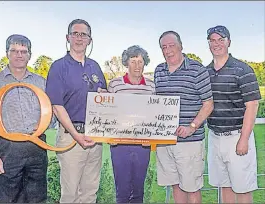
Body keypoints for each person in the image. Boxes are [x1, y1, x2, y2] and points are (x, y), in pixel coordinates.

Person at [0, 34, 54, 203]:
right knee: (7, 200)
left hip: (37, 147)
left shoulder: (42, 82)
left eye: (24, 51)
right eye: (14, 51)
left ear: (29, 55)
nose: (19, 55)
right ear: (7, 53)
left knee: (37, 199)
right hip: (6, 148)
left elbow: (52, 117)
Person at [45, 19, 107, 203]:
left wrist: (105, 96)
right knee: (70, 193)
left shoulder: (95, 66)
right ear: (68, 37)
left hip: (95, 136)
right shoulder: (58, 67)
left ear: (90, 40)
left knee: (90, 191)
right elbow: (57, 106)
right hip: (70, 137)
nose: (79, 38)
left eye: (84, 35)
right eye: (75, 34)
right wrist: (76, 135)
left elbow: (105, 100)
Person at [154, 31, 214, 203]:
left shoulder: (197, 69)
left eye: (171, 45)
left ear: (181, 46)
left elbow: (208, 103)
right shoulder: (159, 70)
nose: (168, 50)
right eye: (164, 47)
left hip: (190, 141)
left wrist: (192, 127)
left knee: (192, 187)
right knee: (175, 185)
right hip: (165, 141)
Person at [206, 25, 261, 203]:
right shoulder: (205, 72)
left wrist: (244, 139)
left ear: (229, 42)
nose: (216, 44)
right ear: (208, 44)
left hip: (237, 137)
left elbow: (252, 105)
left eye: (221, 40)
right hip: (214, 137)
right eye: (212, 40)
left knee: (243, 189)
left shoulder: (242, 70)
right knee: (225, 187)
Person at [107, 45, 155, 203]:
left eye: (140, 61)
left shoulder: (151, 86)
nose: (137, 65)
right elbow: (107, 113)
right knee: (122, 190)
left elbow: (154, 114)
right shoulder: (115, 85)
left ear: (144, 63)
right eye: (133, 61)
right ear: (126, 63)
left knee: (138, 189)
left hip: (143, 144)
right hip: (119, 144)